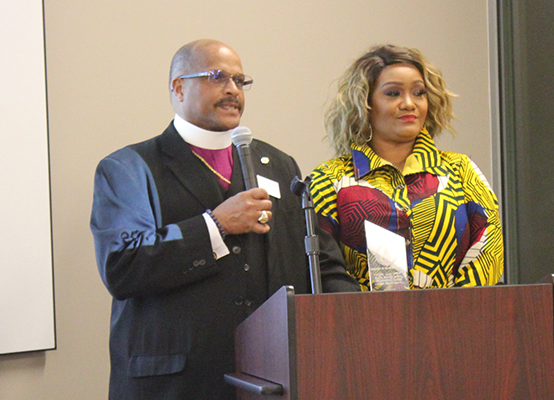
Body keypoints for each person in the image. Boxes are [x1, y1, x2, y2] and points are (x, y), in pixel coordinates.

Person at [90, 39, 358, 400]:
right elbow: (123, 266)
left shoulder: (279, 165)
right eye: (217, 77)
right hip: (175, 384)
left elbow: (318, 258)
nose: (233, 90)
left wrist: (360, 321)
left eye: (240, 80)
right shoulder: (128, 167)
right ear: (178, 87)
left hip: (270, 378)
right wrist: (214, 226)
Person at [308, 44, 503, 290]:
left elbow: (487, 255)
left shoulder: (462, 171)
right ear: (365, 104)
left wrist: (457, 319)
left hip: (459, 323)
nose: (409, 103)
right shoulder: (329, 180)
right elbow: (323, 272)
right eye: (393, 93)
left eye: (419, 92)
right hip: (363, 325)